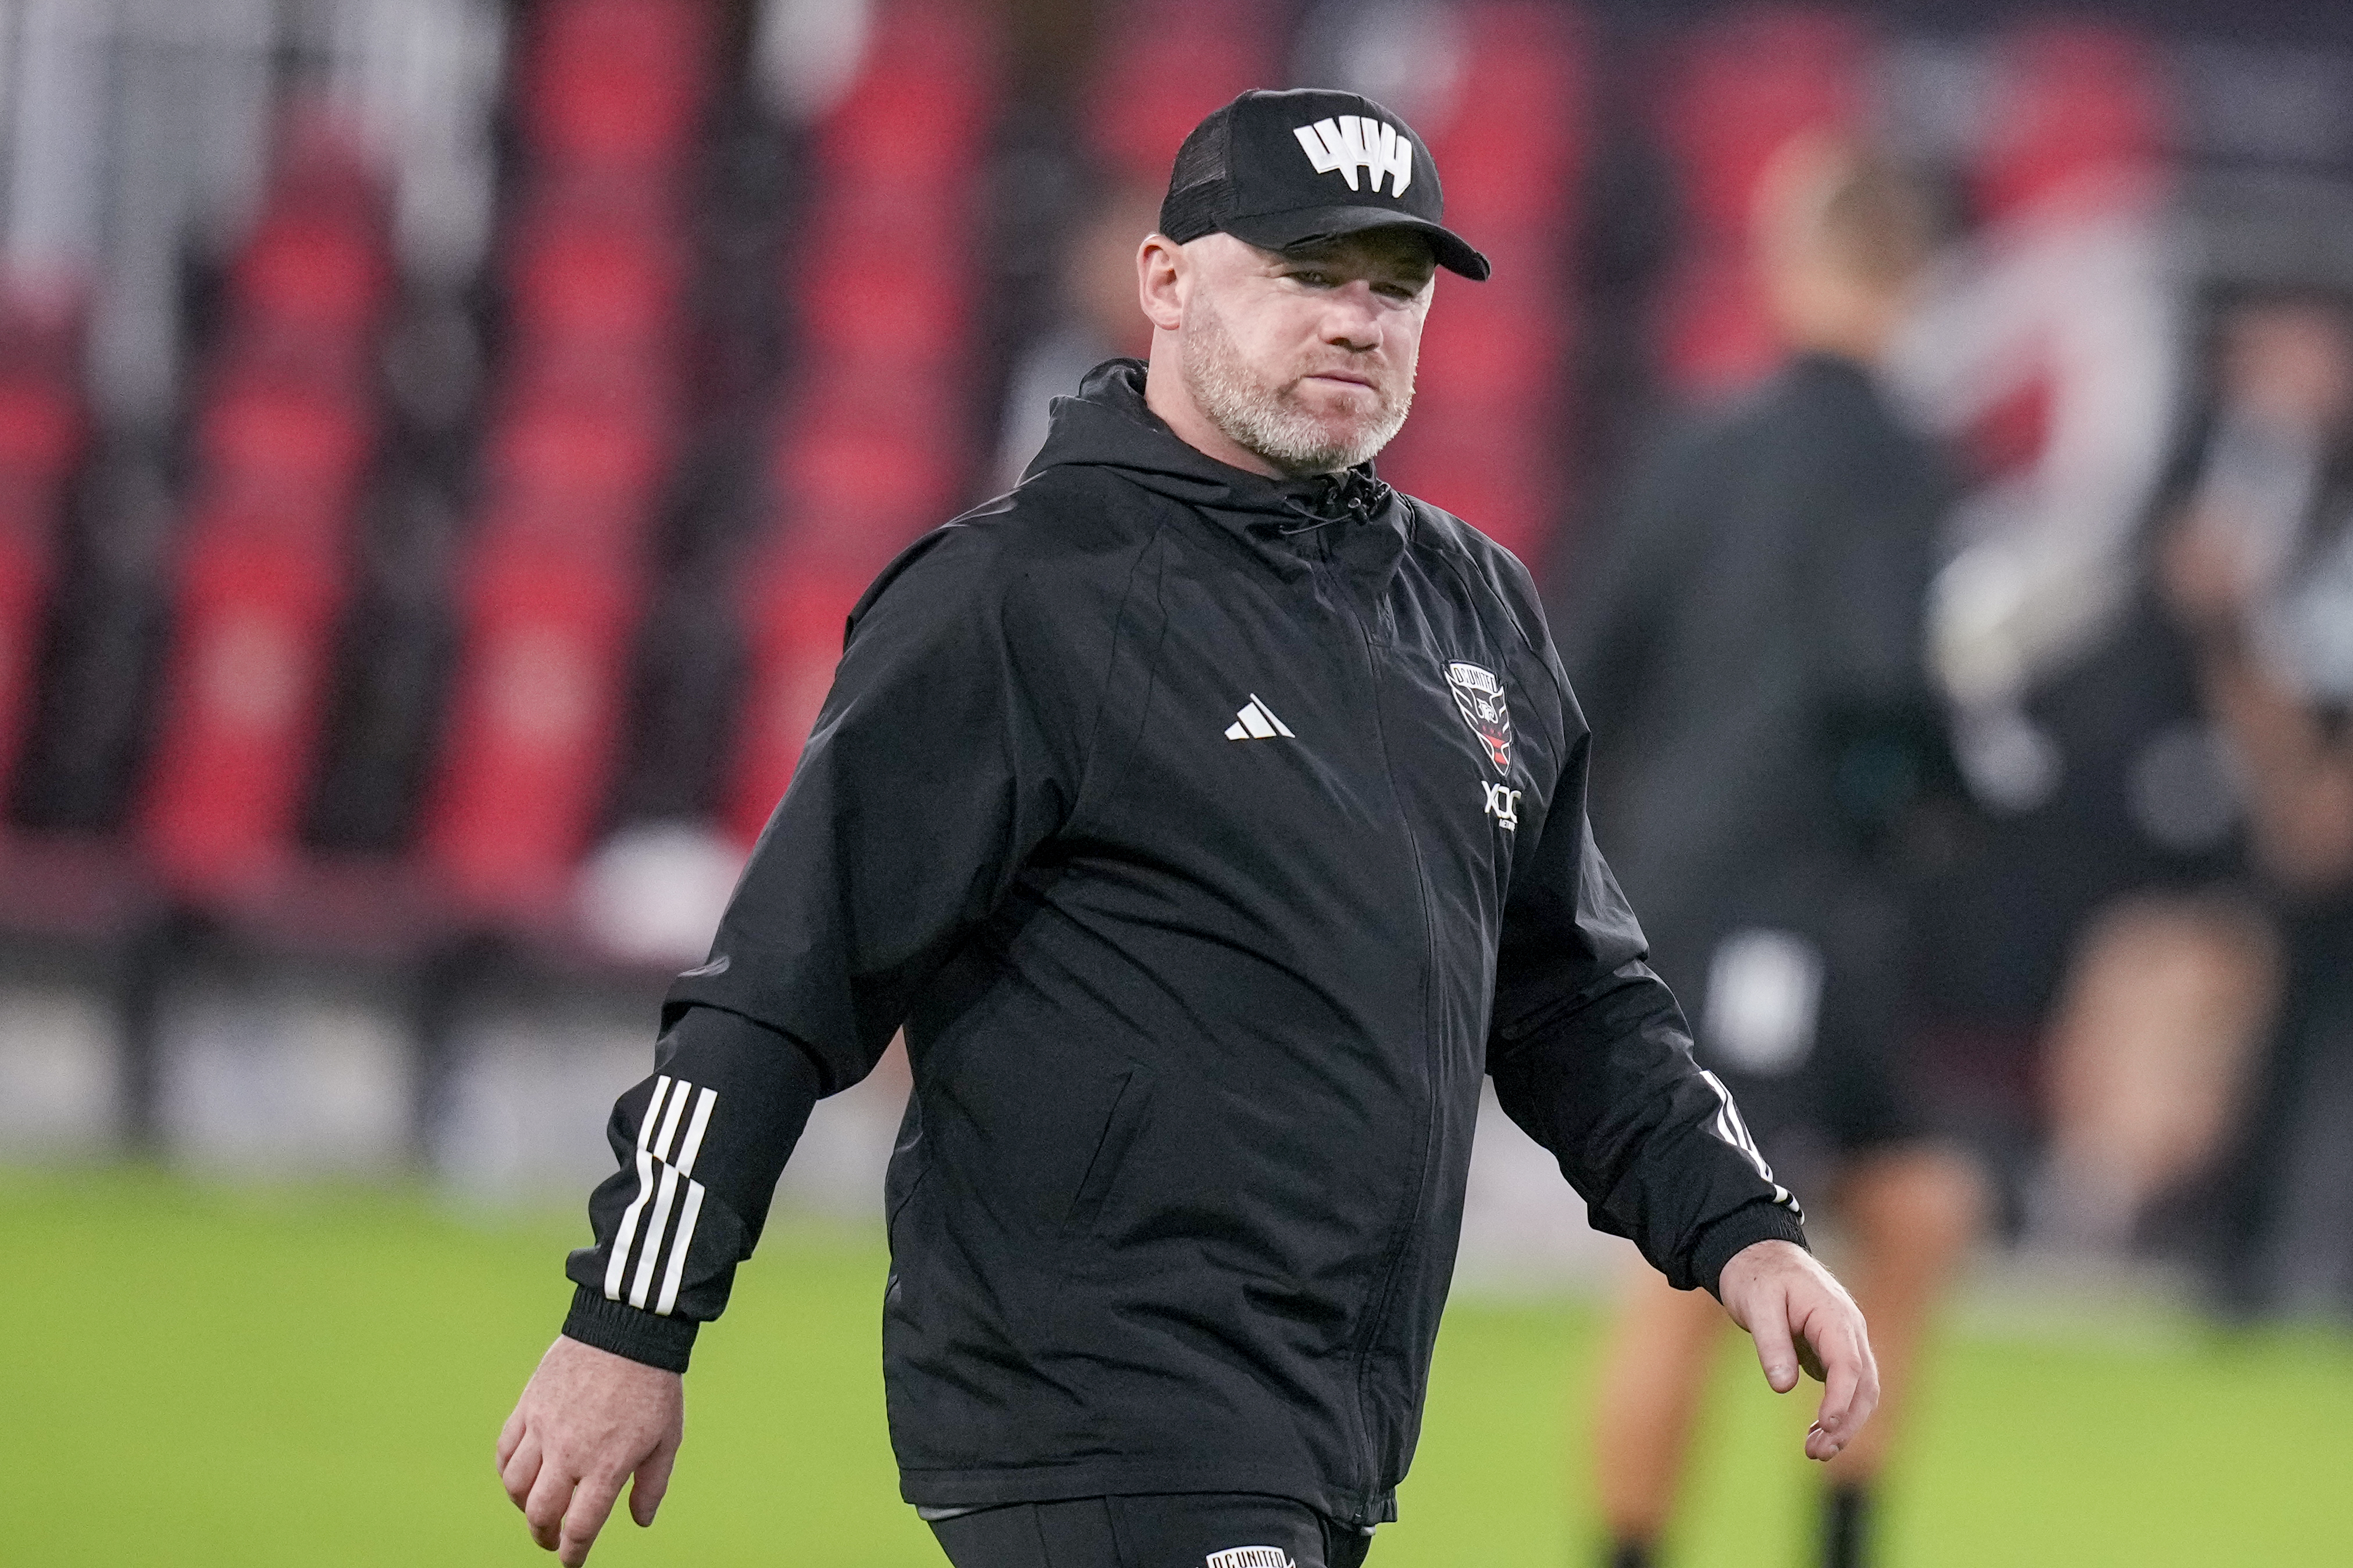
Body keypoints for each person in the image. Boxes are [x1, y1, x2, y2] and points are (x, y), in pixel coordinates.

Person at [497, 89, 1877, 1568]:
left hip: (1326, 1428)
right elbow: (776, 990)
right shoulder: (1017, 599)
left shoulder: (1473, 607)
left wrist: (1740, 1227)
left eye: (1393, 287)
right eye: (1307, 272)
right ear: (1164, 280)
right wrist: (627, 1321)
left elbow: (1570, 996)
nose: (1358, 320)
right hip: (1098, 1405)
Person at [1566, 138, 1976, 1568]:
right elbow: (1887, 677)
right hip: (1775, 913)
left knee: (1921, 1207)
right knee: (1704, 1263)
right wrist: (1948, 774)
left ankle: (1845, 1540)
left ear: (1787, 258)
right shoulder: (1897, 463)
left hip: (1717, 899)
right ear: (1914, 280)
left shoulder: (1695, 444)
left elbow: (1581, 666)